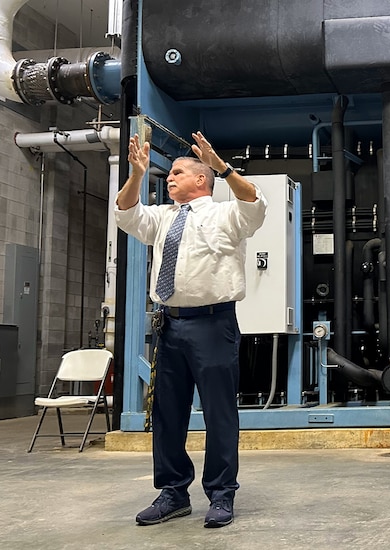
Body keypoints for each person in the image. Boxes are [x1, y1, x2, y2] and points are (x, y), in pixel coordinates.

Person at [115, 131, 268, 528]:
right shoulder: (163, 217)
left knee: (219, 412)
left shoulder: (225, 214)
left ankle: (221, 494)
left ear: (202, 180)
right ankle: (172, 492)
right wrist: (136, 173)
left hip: (214, 324)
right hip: (171, 325)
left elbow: (253, 201)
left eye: (178, 172)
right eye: (168, 173)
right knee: (168, 413)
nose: (169, 177)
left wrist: (225, 168)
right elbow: (126, 212)